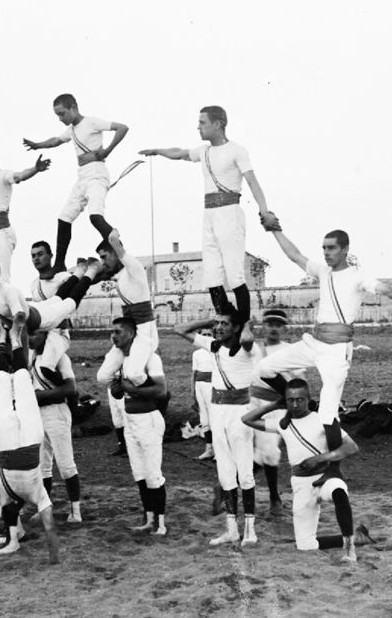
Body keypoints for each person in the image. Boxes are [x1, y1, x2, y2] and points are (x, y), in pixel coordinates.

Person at [255, 214, 392, 427]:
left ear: (344, 249)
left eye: (331, 248)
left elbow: (389, 290)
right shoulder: (322, 271)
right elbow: (294, 255)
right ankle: (288, 400)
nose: (326, 253)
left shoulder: (357, 277)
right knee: (264, 369)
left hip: (336, 351)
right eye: (323, 248)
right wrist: (274, 230)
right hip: (313, 343)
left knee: (327, 416)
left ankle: (332, 457)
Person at [139, 105, 270, 323]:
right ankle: (228, 321)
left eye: (202, 123)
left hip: (229, 213)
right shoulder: (204, 151)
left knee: (234, 273)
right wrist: (157, 151)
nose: (198, 127)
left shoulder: (237, 150)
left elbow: (252, 182)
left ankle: (244, 326)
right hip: (209, 215)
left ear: (218, 124)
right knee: (211, 276)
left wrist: (264, 209)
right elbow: (180, 153)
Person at [241, 378, 372, 563]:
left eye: (300, 399)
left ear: (308, 398)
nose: (295, 404)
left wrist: (321, 458)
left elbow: (352, 447)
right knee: (305, 545)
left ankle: (350, 550)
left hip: (325, 477)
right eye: (290, 400)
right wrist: (274, 405)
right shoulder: (282, 423)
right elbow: (247, 419)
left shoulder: (322, 419)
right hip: (301, 485)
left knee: (339, 491)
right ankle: (358, 537)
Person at [175, 309, 259, 546]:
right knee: (225, 473)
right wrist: (211, 320)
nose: (218, 327)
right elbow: (179, 329)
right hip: (218, 412)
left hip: (240, 414)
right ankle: (232, 528)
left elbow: (247, 339)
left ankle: (250, 530)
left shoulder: (245, 348)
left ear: (236, 327)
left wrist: (245, 323)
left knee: (245, 473)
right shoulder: (213, 346)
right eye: (217, 323)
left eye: (224, 324)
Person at [23, 93, 129, 271]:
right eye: (57, 115)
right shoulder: (71, 130)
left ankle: (120, 255)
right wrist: (37, 145)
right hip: (82, 176)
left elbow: (122, 128)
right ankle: (59, 265)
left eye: (62, 113)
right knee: (64, 218)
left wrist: (108, 151)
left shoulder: (91, 122)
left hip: (96, 172)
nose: (60, 118)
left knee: (95, 216)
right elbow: (56, 141)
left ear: (73, 107)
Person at [0, 344, 61, 571]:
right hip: (7, 444)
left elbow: (50, 528)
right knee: (1, 387)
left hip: (30, 440)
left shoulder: (37, 494)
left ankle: (12, 341)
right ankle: (5, 343)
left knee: (23, 386)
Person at [96, 317, 169, 535]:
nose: (113, 336)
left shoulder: (150, 359)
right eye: (112, 332)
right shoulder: (121, 360)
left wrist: (132, 389)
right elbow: (118, 389)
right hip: (131, 421)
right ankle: (148, 519)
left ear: (130, 333)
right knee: (139, 473)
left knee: (153, 473)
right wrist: (118, 388)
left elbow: (162, 391)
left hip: (149, 419)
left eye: (118, 332)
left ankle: (161, 524)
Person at [87, 214, 159, 386]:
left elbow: (113, 239)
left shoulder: (133, 269)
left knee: (134, 374)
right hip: (127, 330)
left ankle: (157, 395)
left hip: (144, 331)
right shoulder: (116, 275)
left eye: (104, 257)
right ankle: (129, 387)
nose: (102, 262)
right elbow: (93, 276)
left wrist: (99, 221)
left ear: (115, 252)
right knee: (103, 377)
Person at [0, 137, 51, 283]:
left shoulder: (2, 175)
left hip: (0, 234)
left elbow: (20, 175)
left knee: (0, 280)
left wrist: (35, 169)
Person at [248, 308, 300, 512]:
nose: (273, 329)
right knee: (258, 451)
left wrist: (294, 408)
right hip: (252, 404)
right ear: (264, 326)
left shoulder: (289, 350)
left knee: (268, 451)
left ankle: (273, 499)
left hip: (277, 406)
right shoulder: (253, 348)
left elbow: (299, 381)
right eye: (270, 324)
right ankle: (271, 498)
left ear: (284, 328)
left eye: (278, 325)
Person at [30, 330, 83, 524]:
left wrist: (40, 396)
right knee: (42, 466)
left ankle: (75, 510)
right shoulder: (34, 359)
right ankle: (45, 507)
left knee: (65, 464)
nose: (30, 338)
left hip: (56, 412)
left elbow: (71, 389)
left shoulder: (61, 358)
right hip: (38, 414)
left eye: (34, 334)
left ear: (46, 336)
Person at [190, 327, 215, 461]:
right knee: (204, 418)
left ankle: (219, 450)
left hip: (212, 386)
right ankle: (209, 448)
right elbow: (193, 374)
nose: (206, 336)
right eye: (203, 335)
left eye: (209, 334)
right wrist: (193, 392)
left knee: (215, 418)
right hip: (200, 386)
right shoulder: (197, 353)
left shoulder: (216, 351)